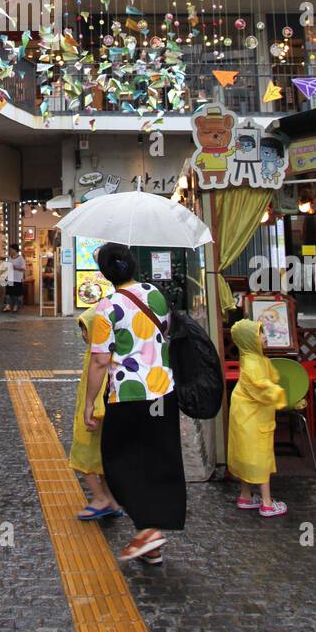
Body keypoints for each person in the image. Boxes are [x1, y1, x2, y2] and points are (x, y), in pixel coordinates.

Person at [83, 242, 185, 566]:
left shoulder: (106, 307)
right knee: (157, 462)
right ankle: (150, 538)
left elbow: (100, 361)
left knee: (118, 462)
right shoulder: (155, 295)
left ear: (104, 273)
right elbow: (165, 334)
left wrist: (89, 402)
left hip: (128, 396)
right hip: (163, 393)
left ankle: (149, 531)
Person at [227, 319, 288, 517]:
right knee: (260, 456)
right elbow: (262, 387)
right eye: (259, 334)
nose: (264, 337)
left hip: (245, 415)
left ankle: (246, 495)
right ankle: (267, 503)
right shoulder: (254, 362)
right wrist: (280, 395)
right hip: (254, 418)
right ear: (249, 340)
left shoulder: (251, 357)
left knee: (246, 453)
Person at [71, 305, 122, 521]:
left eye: (86, 329)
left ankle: (100, 498)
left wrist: (95, 414)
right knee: (104, 462)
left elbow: (101, 387)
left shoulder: (99, 358)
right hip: (97, 418)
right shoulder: (100, 354)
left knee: (84, 458)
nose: (83, 334)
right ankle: (111, 500)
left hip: (91, 420)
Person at [6, 243, 26, 313]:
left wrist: (16, 268)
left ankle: (15, 306)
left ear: (15, 250)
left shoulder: (21, 258)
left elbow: (24, 268)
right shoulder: (10, 257)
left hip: (17, 278)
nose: (10, 251)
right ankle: (8, 306)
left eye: (11, 249)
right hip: (10, 277)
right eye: (10, 249)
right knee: (8, 292)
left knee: (17, 294)